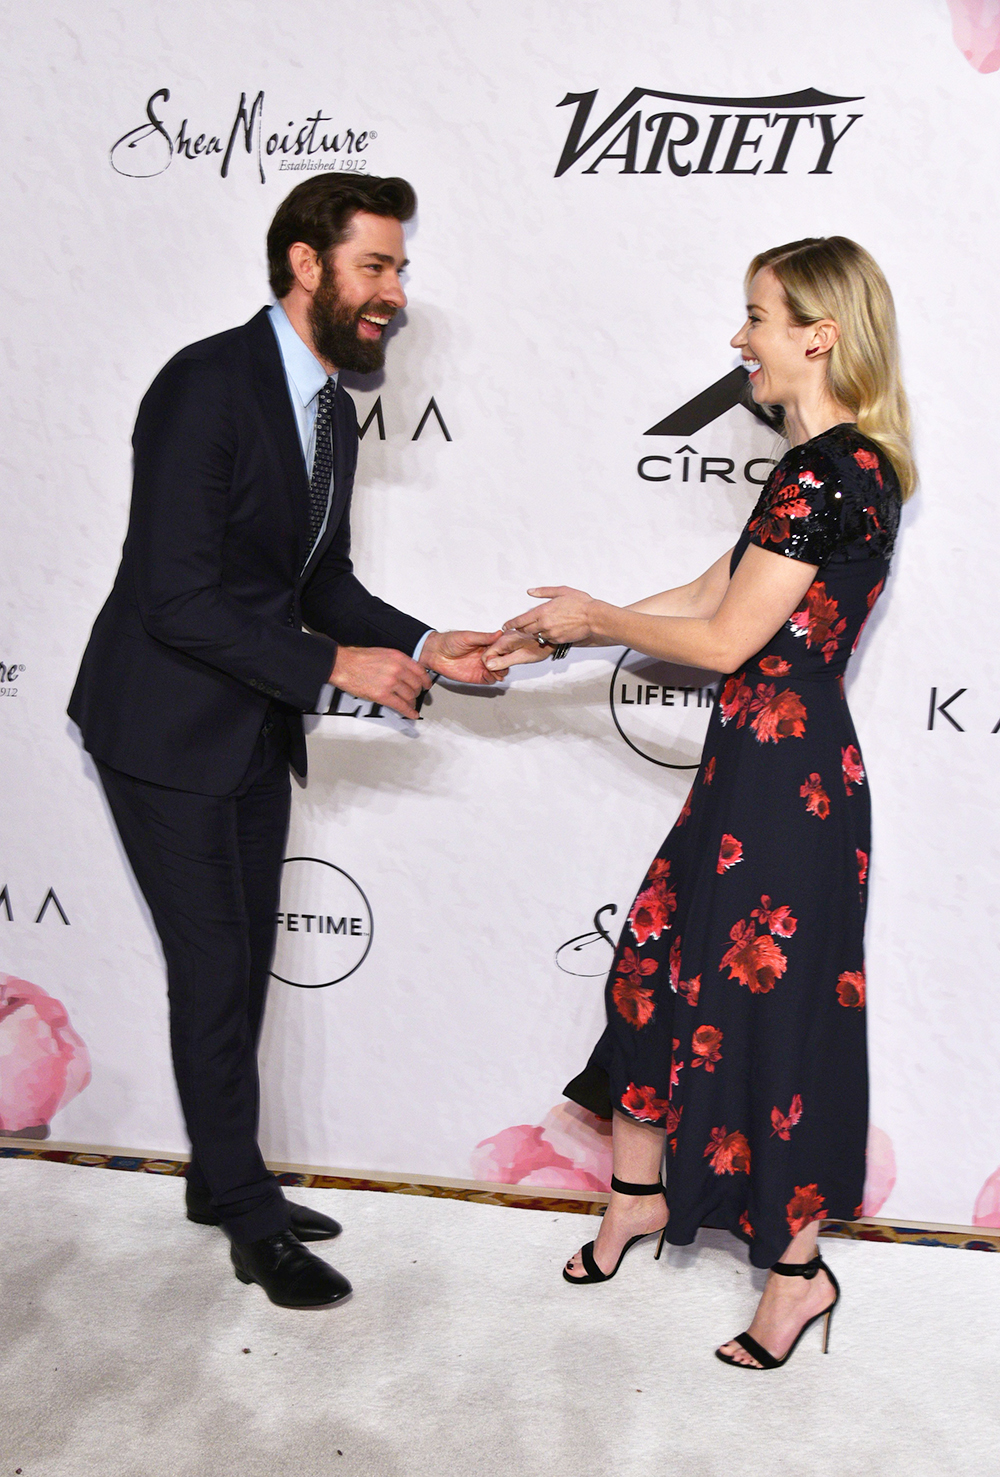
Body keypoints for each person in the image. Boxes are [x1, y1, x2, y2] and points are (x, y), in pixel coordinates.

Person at [69, 174, 503, 1310]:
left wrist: (420, 641)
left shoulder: (328, 406)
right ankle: (246, 1214)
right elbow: (174, 597)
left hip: (250, 722)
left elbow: (319, 580)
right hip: (161, 727)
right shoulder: (205, 386)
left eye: (401, 270)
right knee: (214, 972)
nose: (396, 294)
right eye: (376, 267)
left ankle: (223, 1180)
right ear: (307, 265)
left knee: (234, 969)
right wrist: (329, 667)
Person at [484, 237, 913, 1368]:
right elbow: (717, 590)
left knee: (778, 1019)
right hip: (752, 766)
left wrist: (597, 622)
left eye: (757, 317)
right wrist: (547, 632)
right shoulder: (815, 466)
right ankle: (636, 1197)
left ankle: (796, 1274)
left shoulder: (836, 472)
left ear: (816, 334)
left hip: (791, 784)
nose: (740, 340)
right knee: (649, 967)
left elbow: (726, 638)